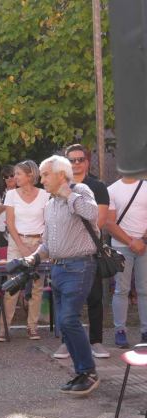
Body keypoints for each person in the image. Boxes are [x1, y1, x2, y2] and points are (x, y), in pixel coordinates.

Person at [26, 155, 100, 396]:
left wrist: (69, 194)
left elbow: (92, 213)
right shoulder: (50, 204)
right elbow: (48, 243)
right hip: (57, 269)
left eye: (46, 174)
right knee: (63, 324)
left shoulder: (81, 190)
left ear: (61, 175)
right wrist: (33, 257)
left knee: (69, 319)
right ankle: (81, 372)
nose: (41, 179)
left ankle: (89, 372)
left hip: (79, 267)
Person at [52, 144, 111, 359]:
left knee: (95, 298)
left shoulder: (97, 186)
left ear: (87, 161)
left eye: (80, 159)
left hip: (88, 252)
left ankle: (96, 342)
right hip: (65, 254)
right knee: (66, 302)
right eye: (72, 160)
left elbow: (100, 219)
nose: (76, 163)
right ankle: (67, 343)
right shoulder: (58, 185)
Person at [0, 160, 50, 342]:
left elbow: (48, 221)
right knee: (12, 285)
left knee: (37, 286)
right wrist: (21, 245)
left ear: (30, 176)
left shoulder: (44, 195)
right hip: (16, 241)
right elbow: (9, 223)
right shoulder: (11, 195)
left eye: (18, 174)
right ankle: (4, 328)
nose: (15, 177)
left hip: (38, 242)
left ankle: (32, 327)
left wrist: (39, 244)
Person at [106, 175, 147, 347]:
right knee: (121, 290)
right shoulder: (112, 190)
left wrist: (142, 240)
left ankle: (145, 331)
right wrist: (131, 241)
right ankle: (120, 330)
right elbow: (109, 222)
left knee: (145, 289)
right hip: (121, 247)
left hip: (144, 245)